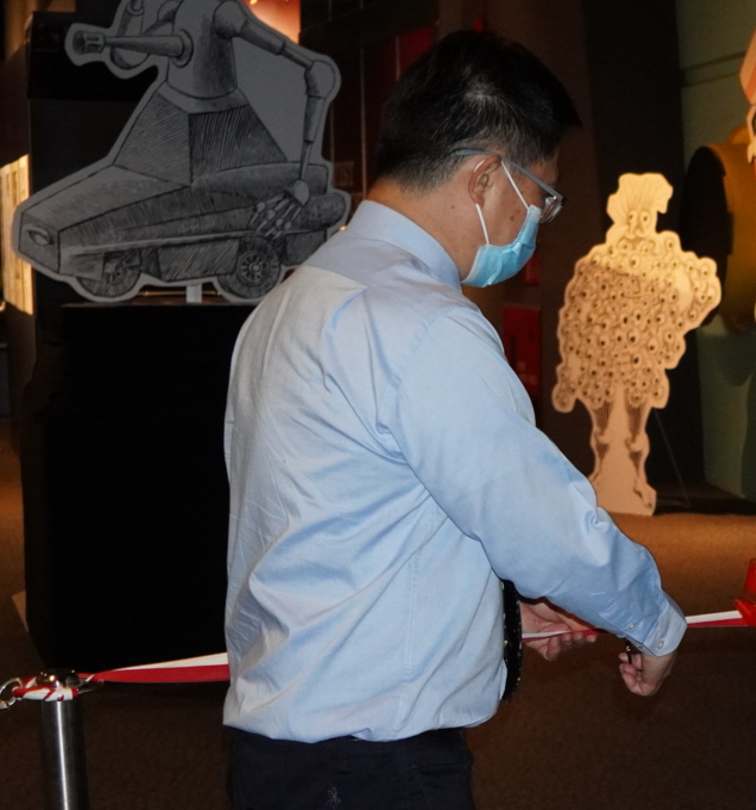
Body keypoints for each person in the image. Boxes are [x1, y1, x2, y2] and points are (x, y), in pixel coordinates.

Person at [223, 30, 684, 809]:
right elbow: (537, 515)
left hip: (284, 747)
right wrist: (653, 619)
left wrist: (498, 602)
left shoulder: (293, 302)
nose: (536, 221)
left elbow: (351, 518)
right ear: (484, 177)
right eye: (541, 197)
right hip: (375, 765)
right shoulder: (424, 323)